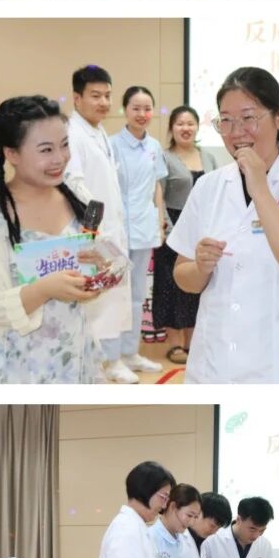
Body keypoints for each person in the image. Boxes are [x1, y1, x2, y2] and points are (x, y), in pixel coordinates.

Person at [169, 67, 279, 383]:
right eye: (226, 120)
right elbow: (183, 276)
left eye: (248, 117)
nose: (237, 132)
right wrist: (201, 267)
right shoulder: (208, 186)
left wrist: (260, 188)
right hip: (214, 366)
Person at [0, 95, 104, 383]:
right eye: (46, 149)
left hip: (75, 355)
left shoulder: (78, 197)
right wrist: (45, 289)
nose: (60, 158)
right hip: (16, 366)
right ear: (12, 153)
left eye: (64, 145)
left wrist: (97, 276)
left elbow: (91, 266)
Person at [65, 65, 135, 383]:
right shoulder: (72, 133)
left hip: (111, 230)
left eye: (107, 95)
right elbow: (75, 182)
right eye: (96, 96)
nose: (104, 102)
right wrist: (96, 228)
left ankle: (110, 362)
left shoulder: (99, 131)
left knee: (112, 300)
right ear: (77, 98)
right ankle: (95, 367)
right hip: (93, 232)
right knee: (95, 304)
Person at [154, 106, 220, 364]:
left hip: (202, 229)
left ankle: (192, 343)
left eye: (190, 123)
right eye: (180, 123)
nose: (186, 128)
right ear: (171, 128)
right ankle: (174, 344)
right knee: (170, 287)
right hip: (172, 226)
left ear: (197, 127)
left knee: (195, 285)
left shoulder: (209, 157)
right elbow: (158, 194)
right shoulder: (164, 157)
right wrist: (167, 228)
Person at [112, 86, 169, 377]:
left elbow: (157, 186)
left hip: (145, 227)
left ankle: (131, 353)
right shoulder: (112, 144)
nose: (142, 114)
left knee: (137, 294)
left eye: (147, 108)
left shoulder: (154, 147)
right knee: (115, 294)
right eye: (136, 108)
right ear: (125, 110)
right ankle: (112, 358)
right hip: (117, 230)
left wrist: (159, 220)